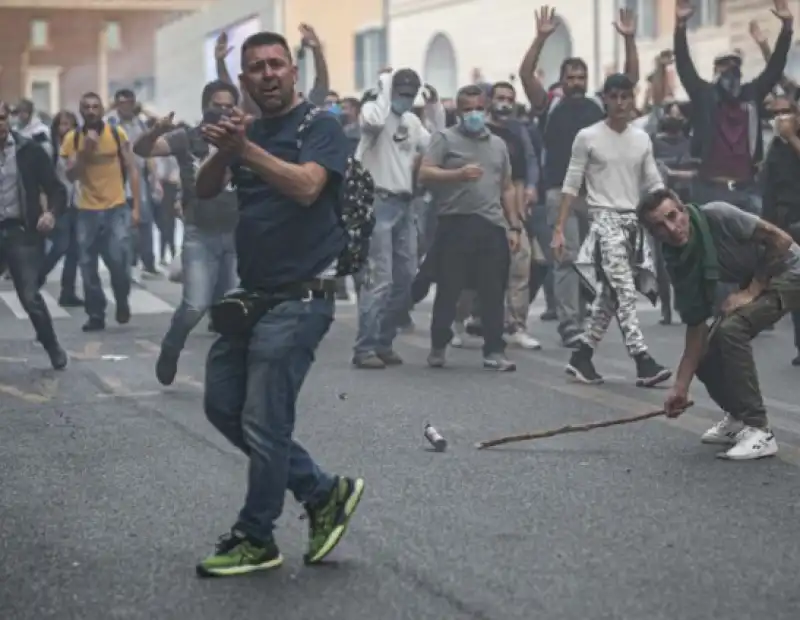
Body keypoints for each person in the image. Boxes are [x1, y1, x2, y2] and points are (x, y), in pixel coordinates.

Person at [194, 30, 364, 577]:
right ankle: (321, 491)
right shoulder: (246, 129)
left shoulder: (322, 126)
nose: (267, 74)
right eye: (256, 68)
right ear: (244, 81)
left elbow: (308, 187)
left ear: (293, 71)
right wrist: (226, 150)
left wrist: (246, 150)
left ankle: (255, 536)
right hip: (254, 295)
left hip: (303, 295)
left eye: (275, 64)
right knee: (223, 404)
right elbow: (203, 188)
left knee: (265, 422)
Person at [638, 189, 800, 460]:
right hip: (759, 283)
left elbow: (781, 240)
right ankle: (737, 418)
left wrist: (751, 291)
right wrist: (680, 387)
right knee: (705, 352)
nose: (671, 228)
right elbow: (696, 326)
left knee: (731, 329)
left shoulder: (718, 215)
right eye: (659, 227)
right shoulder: (678, 260)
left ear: (683, 209)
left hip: (790, 271)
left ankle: (759, 429)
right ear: (654, 235)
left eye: (672, 216)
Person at [552, 73, 671, 387]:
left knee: (610, 296)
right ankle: (642, 359)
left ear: (633, 99)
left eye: (625, 96)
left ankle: (582, 356)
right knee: (624, 292)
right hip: (603, 221)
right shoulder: (588, 137)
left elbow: (653, 182)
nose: (620, 103)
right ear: (604, 99)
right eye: (614, 97)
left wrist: (671, 212)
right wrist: (560, 228)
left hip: (634, 223)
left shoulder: (641, 139)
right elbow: (571, 182)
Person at [132, 80, 240, 386]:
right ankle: (171, 348)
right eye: (216, 105)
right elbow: (143, 150)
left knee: (236, 311)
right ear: (205, 106)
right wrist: (155, 130)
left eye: (228, 106)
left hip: (237, 234)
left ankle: (230, 376)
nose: (222, 111)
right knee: (194, 306)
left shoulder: (242, 140)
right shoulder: (186, 137)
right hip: (200, 233)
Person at [418, 84, 521, 371]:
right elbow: (425, 172)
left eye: (478, 108)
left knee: (492, 291)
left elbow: (508, 186)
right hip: (455, 223)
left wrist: (513, 226)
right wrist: (457, 174)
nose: (474, 114)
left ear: (486, 109)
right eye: (467, 109)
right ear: (458, 112)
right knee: (449, 289)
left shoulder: (498, 145)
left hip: (491, 225)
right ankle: (439, 344)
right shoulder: (445, 139)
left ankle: (494, 351)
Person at [61, 92, 138, 332]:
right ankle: (96, 314)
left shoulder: (116, 134)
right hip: (86, 210)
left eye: (96, 107)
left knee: (118, 262)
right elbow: (71, 175)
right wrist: (86, 150)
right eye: (87, 107)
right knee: (87, 266)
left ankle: (122, 298)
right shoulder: (72, 139)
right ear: (81, 111)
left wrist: (136, 207)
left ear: (102, 110)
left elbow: (132, 169)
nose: (92, 111)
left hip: (116, 207)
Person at [0, 101, 68, 369]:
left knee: (30, 297)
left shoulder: (29, 150)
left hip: (21, 232)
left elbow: (56, 189)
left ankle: (52, 345)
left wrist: (50, 213)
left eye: (2, 118)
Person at [761, 95, 800, 365]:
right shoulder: (776, 146)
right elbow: (769, 188)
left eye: (788, 112)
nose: (783, 118)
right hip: (789, 222)